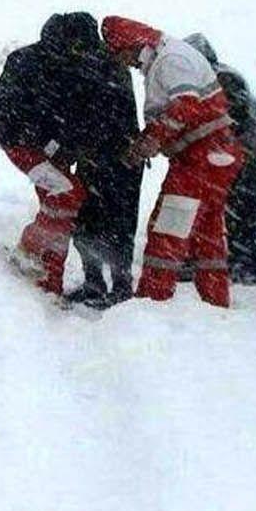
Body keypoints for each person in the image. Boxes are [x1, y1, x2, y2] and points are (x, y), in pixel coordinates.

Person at [101, 15, 243, 307]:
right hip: (214, 157)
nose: (126, 63)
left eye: (122, 55)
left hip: (200, 160)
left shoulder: (170, 60)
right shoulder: (168, 57)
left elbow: (185, 107)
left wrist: (150, 140)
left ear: (134, 44)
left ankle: (152, 303)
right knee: (208, 238)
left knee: (166, 231)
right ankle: (216, 305)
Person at [0, 13, 102, 296]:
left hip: (59, 151)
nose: (84, 54)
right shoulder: (25, 60)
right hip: (22, 146)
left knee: (59, 211)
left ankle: (49, 282)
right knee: (67, 194)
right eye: (80, 47)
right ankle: (30, 250)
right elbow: (2, 111)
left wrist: (73, 142)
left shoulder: (78, 64)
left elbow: (80, 113)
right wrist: (43, 138)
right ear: (69, 40)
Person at [186, 33, 256, 283]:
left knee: (240, 216)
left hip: (250, 159)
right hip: (241, 157)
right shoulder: (218, 76)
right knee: (221, 211)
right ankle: (221, 262)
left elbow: (228, 121)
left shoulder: (224, 79)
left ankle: (243, 268)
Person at [67, 32, 143, 308]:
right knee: (117, 223)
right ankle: (115, 284)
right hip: (121, 159)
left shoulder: (92, 67)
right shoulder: (113, 66)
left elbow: (87, 117)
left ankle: (101, 284)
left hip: (106, 159)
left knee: (94, 221)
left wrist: (79, 146)